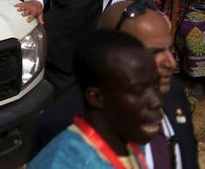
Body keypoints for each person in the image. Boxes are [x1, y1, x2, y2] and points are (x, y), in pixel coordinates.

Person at [33, 0, 199, 168]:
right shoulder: (58, 138)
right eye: (154, 53)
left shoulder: (173, 93)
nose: (171, 63)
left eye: (170, 49)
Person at [29, 30, 164, 168]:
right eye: (138, 90)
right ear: (96, 97)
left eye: (155, 86)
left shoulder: (130, 143)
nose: (156, 101)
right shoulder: (62, 162)